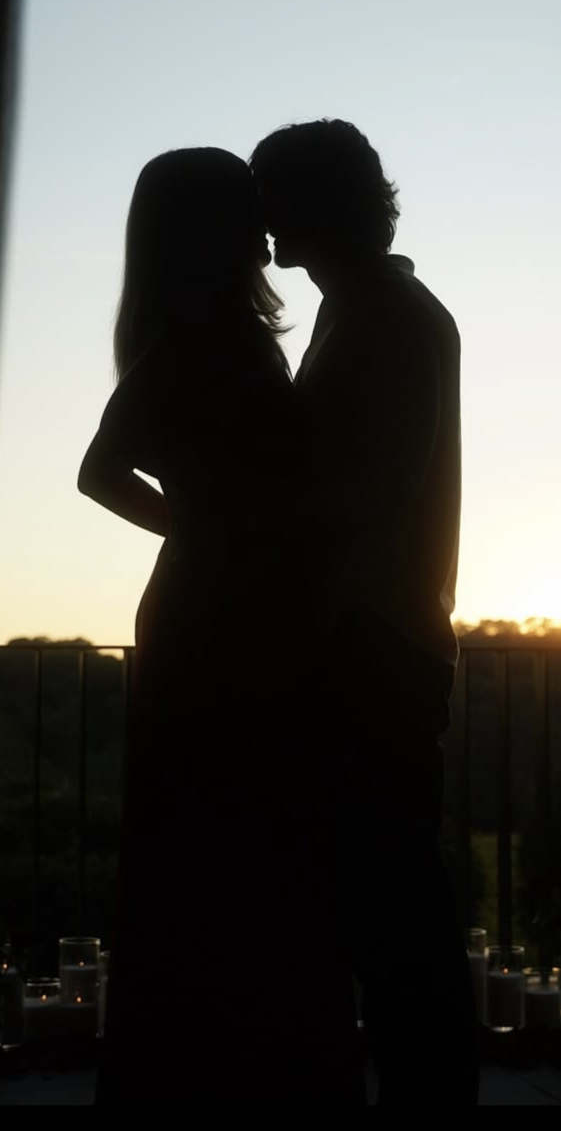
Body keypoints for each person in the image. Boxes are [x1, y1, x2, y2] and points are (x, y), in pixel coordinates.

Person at [78, 147, 363, 1105]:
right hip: (225, 622)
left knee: (210, 852)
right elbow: (100, 469)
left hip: (215, 609)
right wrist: (211, 530)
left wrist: (201, 528)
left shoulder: (200, 330)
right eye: (249, 207)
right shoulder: (210, 332)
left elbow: (113, 473)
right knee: (244, 848)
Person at [250, 119, 480, 1105]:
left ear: (314, 205)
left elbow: (367, 485)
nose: (261, 229)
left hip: (372, 643)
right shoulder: (382, 309)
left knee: (389, 908)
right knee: (390, 902)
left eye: (272, 201)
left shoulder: (381, 318)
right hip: (385, 637)